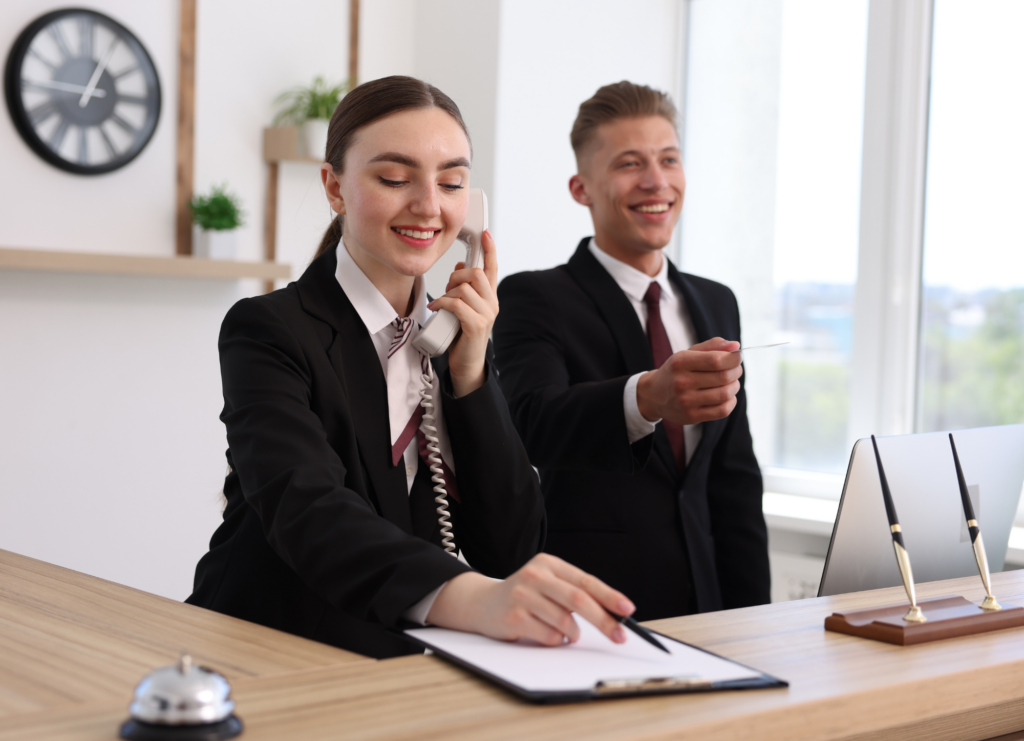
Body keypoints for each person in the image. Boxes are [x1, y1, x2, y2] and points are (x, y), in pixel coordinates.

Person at [186, 76, 635, 659]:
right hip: (267, 647)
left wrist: (471, 374)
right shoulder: (269, 329)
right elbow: (307, 507)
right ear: (335, 186)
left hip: (396, 668)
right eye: (394, 179)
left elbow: (512, 546)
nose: (429, 205)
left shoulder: (452, 336)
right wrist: (469, 597)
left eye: (451, 182)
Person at [492, 81, 770, 620]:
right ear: (581, 188)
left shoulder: (716, 302)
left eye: (669, 159)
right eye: (629, 163)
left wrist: (756, 619)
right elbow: (530, 422)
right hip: (592, 603)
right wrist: (645, 398)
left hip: (711, 605)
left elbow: (734, 477)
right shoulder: (535, 296)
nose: (656, 181)